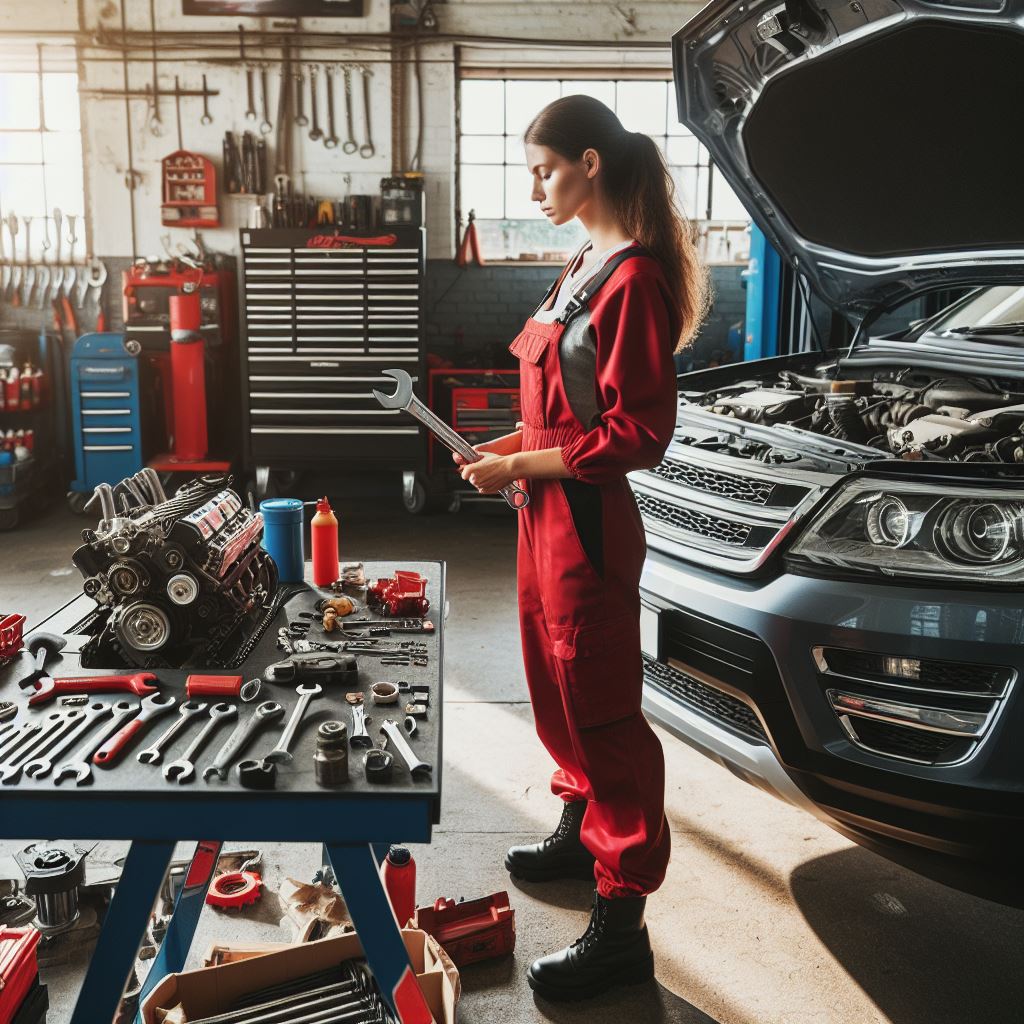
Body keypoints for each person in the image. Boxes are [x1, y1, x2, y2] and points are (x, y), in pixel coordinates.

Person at [454, 94, 707, 1001]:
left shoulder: (631, 277)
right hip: (541, 513)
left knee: (601, 710)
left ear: (591, 162)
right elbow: (561, 399)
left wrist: (526, 457)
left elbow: (639, 432)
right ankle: (576, 831)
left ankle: (621, 923)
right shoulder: (580, 264)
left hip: (588, 527)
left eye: (546, 169)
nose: (537, 186)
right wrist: (510, 454)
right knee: (551, 682)